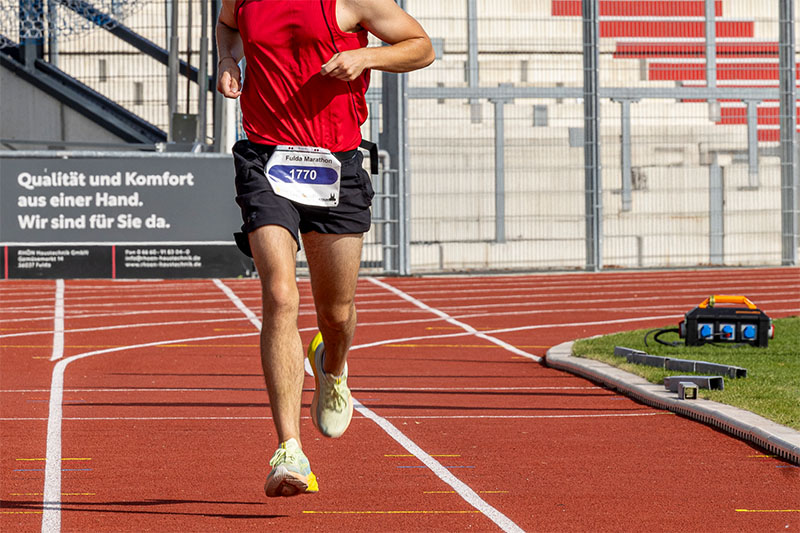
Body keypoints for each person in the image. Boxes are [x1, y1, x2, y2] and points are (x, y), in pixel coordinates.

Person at [215, 0, 434, 498]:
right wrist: (229, 61)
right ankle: (289, 450)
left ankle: (332, 365)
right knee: (280, 294)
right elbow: (227, 28)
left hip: (335, 165)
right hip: (266, 161)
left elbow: (421, 48)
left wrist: (366, 59)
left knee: (335, 313)